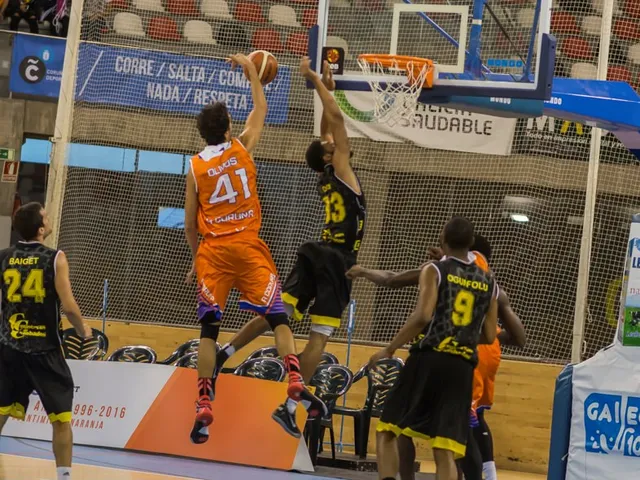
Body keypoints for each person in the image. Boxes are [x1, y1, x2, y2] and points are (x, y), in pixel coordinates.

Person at [212, 56, 366, 436]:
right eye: (331, 145)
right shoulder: (342, 169)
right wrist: (313, 78)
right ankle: (290, 405)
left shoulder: (327, 172)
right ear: (329, 155)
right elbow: (336, 122)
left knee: (277, 314)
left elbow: (326, 129)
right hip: (338, 260)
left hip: (316, 251)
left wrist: (327, 88)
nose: (335, 142)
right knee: (319, 337)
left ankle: (224, 352)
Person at [184, 53, 326, 444]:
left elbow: (189, 222)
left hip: (213, 253)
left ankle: (204, 402)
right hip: (248, 247)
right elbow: (260, 109)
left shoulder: (195, 167)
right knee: (278, 318)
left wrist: (197, 260)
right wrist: (252, 73)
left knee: (209, 330)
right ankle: (294, 377)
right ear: (229, 127)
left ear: (203, 135)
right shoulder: (242, 148)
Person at [347, 233, 525, 480]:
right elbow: (518, 338)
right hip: (471, 362)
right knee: (454, 440)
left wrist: (364, 271)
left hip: (437, 356)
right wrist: (476, 333)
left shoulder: (438, 270)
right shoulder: (490, 283)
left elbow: (394, 282)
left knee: (396, 428)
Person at [0, 202, 92, 480]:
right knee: (62, 419)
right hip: (45, 350)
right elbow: (69, 306)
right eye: (45, 216)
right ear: (40, 229)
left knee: (1, 411)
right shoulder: (55, 257)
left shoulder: (4, 256)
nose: (49, 219)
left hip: (10, 347)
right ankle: (64, 476)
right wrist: (83, 329)